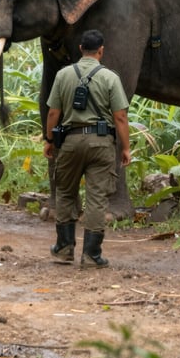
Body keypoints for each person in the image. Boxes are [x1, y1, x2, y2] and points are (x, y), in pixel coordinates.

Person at [43, 30, 131, 269]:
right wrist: (125, 148)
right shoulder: (110, 78)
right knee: (97, 197)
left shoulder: (63, 75)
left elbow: (53, 112)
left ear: (81, 48)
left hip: (70, 142)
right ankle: (91, 255)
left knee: (65, 193)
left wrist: (49, 140)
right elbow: (120, 117)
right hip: (101, 143)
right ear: (101, 51)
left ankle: (64, 249)